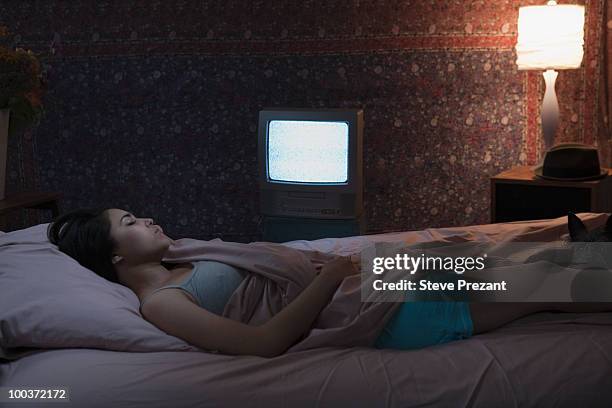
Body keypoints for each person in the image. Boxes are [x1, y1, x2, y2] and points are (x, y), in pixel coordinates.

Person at [47, 208, 612, 357]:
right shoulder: (161, 304)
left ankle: (588, 248)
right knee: (538, 292)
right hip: (367, 309)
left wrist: (353, 269)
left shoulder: (184, 257)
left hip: (368, 278)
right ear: (115, 258)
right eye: (130, 224)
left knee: (508, 254)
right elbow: (266, 344)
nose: (145, 221)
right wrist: (336, 276)